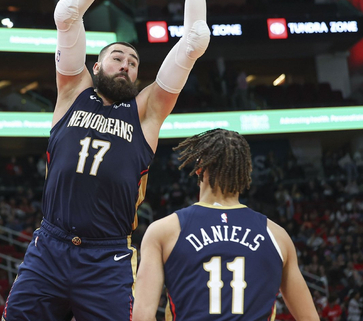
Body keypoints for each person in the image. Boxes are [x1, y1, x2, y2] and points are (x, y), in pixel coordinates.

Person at [3, 0, 210, 321]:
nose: (126, 64)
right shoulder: (72, 90)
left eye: (133, 62)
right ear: (95, 67)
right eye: (117, 57)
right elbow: (67, 13)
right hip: (50, 247)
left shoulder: (147, 112)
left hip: (107, 258)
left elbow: (194, 39)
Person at [132, 129, 318, 321]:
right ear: (245, 172)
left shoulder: (164, 231)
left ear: (199, 168)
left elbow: (141, 317)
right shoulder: (277, 236)